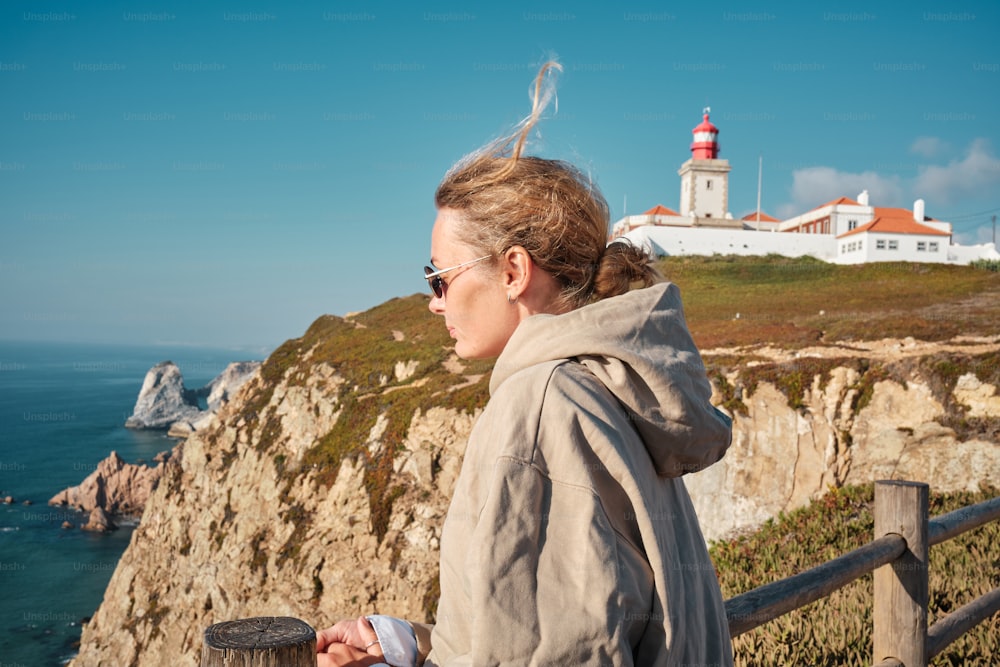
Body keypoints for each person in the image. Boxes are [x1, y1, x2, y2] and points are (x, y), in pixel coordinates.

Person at [316, 62, 734, 667]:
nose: (433, 303)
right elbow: (557, 629)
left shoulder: (541, 407)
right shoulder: (614, 381)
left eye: (438, 277)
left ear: (512, 272)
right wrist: (411, 645)